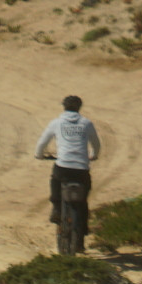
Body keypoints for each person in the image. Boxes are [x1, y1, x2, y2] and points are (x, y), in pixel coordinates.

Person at [35, 95, 101, 225]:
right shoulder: (86, 123)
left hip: (63, 165)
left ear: (64, 106)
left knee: (55, 181)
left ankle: (57, 209)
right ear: (79, 108)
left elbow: (42, 142)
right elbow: (96, 144)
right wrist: (93, 155)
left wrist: (39, 155)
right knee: (84, 193)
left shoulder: (56, 123)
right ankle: (83, 225)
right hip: (82, 167)